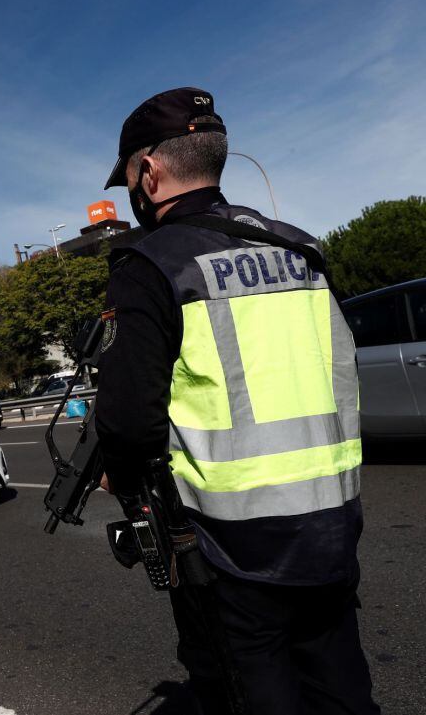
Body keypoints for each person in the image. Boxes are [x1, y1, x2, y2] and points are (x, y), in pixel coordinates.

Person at [94, 88, 379, 714]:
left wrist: (123, 476)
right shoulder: (301, 248)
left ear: (150, 172)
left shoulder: (149, 264)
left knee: (248, 695)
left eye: (131, 179)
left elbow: (130, 422)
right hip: (332, 522)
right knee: (341, 691)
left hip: (230, 547)